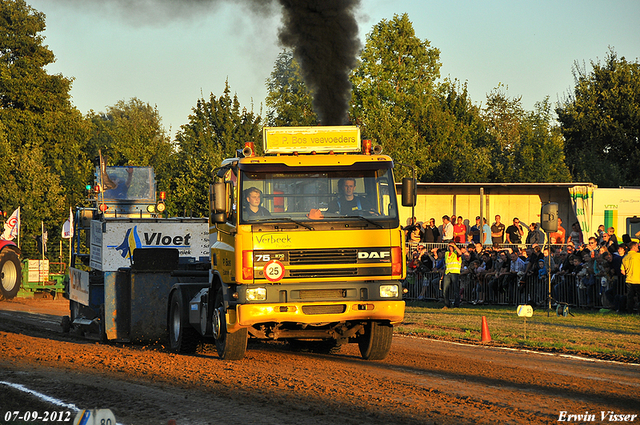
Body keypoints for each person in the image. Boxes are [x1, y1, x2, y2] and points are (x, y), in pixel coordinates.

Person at [621, 241, 640, 314]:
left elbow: (622, 271)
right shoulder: (638, 256)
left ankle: (630, 311)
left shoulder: (625, 257)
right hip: (638, 280)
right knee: (639, 297)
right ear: (634, 247)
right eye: (637, 246)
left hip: (629, 280)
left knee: (630, 297)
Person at [442, 242, 462, 308]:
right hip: (447, 273)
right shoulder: (447, 254)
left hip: (455, 272)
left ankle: (456, 304)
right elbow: (446, 264)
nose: (450, 247)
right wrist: (443, 274)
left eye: (451, 246)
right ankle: (447, 304)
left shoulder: (456, 253)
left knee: (456, 289)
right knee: (445, 289)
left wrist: (455, 246)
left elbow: (460, 253)